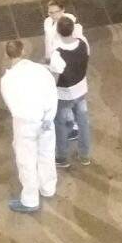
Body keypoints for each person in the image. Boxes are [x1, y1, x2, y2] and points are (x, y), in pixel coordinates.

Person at [0, 39, 58, 214]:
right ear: (23, 51)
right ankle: (48, 188)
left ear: (6, 55)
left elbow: (12, 105)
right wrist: (48, 118)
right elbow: (52, 95)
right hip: (46, 122)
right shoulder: (41, 71)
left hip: (24, 125)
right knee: (46, 154)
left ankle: (30, 199)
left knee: (26, 161)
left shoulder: (7, 79)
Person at [48, 18, 92, 168]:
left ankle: (62, 157)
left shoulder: (57, 53)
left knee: (61, 125)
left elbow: (54, 78)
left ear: (58, 32)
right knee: (83, 122)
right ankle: (85, 155)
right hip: (81, 90)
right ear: (73, 29)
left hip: (63, 94)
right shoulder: (83, 43)